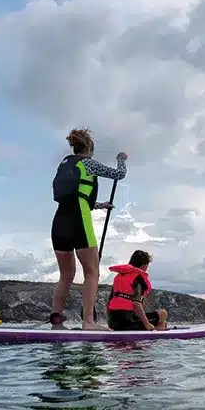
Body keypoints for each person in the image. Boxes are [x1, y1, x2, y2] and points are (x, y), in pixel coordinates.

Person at [49, 127, 127, 330]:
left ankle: (56, 321)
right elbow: (119, 174)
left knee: (65, 275)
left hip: (59, 221)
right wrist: (122, 159)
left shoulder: (64, 165)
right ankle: (88, 322)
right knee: (92, 273)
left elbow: (80, 195)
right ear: (90, 148)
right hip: (79, 220)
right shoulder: (88, 163)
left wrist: (101, 205)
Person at [107, 250, 169, 331]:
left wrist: (111, 324)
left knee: (161, 322)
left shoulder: (118, 277)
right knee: (163, 314)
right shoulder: (138, 278)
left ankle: (158, 326)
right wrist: (146, 324)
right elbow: (136, 303)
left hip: (113, 323)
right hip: (128, 321)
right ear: (144, 266)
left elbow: (109, 303)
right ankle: (158, 328)